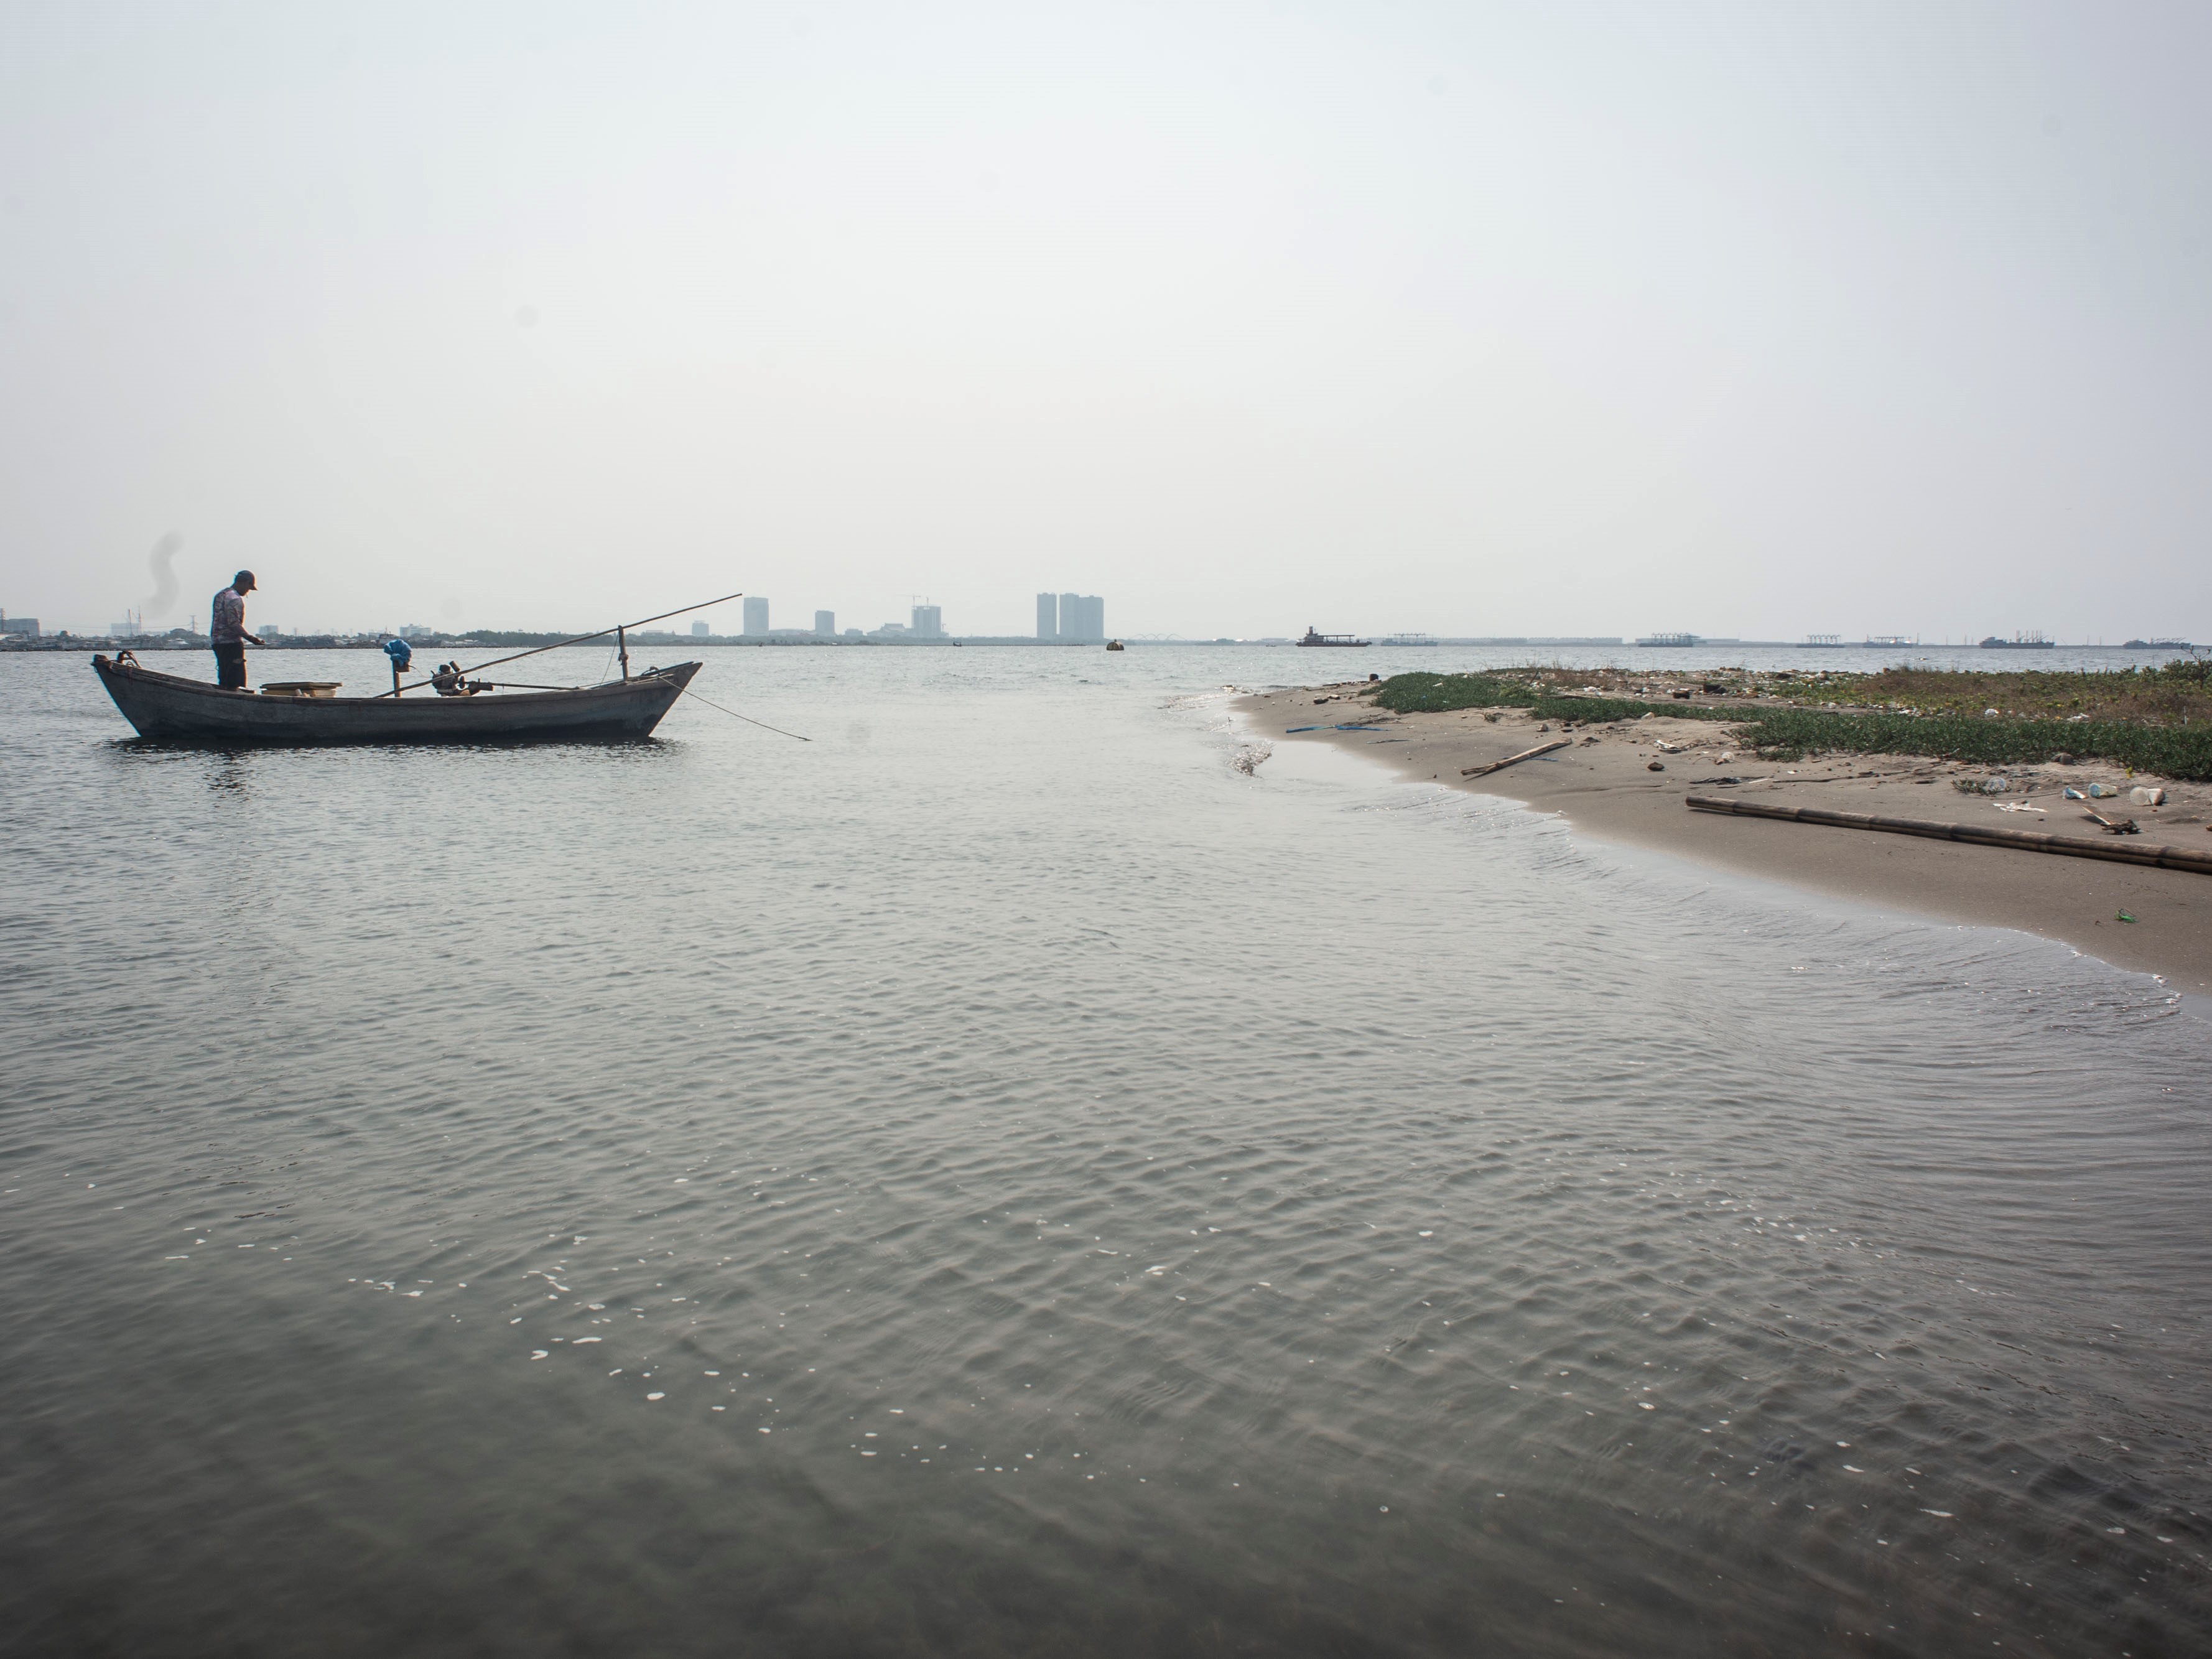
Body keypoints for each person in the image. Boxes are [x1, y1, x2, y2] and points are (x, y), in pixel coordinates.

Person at [210, 570, 263, 689]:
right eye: (249, 588)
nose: (248, 591)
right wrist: (250, 638)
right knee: (234, 680)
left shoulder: (220, 595)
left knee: (224, 678)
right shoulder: (234, 598)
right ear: (246, 583)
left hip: (217, 643)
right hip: (231, 644)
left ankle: (224, 698)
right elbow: (233, 624)